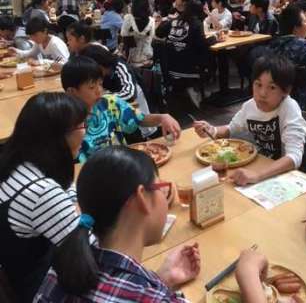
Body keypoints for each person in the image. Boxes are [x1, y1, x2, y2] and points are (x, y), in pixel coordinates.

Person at [34, 145, 200, 302]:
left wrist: (160, 280)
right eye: (160, 186)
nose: (165, 194)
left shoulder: (61, 271)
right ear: (142, 198)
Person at [0, 92, 88, 302]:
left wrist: (75, 204)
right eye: (82, 125)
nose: (86, 132)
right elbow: (90, 252)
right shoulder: (41, 192)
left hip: (17, 275)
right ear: (58, 136)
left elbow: (66, 188)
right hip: (43, 289)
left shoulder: (19, 162)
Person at [194, 56, 306, 186]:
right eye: (258, 84)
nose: (262, 93)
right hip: (261, 165)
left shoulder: (289, 109)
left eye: (272, 87)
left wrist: (258, 175)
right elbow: (231, 129)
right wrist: (211, 130)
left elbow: (294, 157)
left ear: (286, 91)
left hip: (284, 176)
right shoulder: (250, 105)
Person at [61, 57, 180, 162]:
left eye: (100, 84)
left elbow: (139, 119)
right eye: (92, 87)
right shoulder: (64, 118)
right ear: (72, 92)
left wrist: (162, 117)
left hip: (121, 166)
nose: (99, 91)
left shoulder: (109, 103)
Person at [121, 0, 155, 67]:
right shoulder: (152, 21)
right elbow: (151, 38)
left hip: (131, 59)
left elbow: (125, 39)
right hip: (146, 58)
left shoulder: (128, 18)